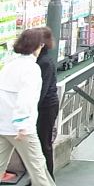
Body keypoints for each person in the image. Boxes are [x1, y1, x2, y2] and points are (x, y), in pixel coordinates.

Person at [0, 28, 56, 186]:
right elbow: (26, 98)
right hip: (22, 129)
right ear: (38, 46)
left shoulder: (9, 65)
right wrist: (22, 124)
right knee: (38, 170)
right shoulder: (32, 69)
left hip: (3, 126)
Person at [34, 28, 59, 179]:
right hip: (46, 106)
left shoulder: (44, 62)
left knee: (44, 144)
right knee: (43, 143)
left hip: (46, 107)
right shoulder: (43, 60)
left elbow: (41, 90)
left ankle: (48, 177)